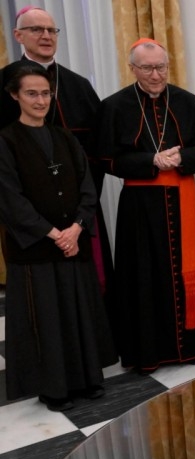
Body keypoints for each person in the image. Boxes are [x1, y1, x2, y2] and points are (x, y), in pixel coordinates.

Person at [94, 38, 195, 373]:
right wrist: (151, 160)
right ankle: (147, 352)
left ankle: (192, 346)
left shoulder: (186, 102)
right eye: (147, 67)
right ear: (132, 68)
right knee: (144, 277)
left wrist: (181, 157)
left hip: (182, 199)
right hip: (140, 206)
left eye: (161, 67)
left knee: (183, 273)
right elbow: (107, 159)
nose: (155, 74)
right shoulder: (115, 105)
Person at [0, 65, 116, 411]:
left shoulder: (65, 137)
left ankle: (87, 378)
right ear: (14, 96)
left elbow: (87, 187)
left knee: (79, 310)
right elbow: (9, 198)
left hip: (72, 241)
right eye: (32, 93)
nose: (40, 100)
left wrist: (77, 227)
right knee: (47, 316)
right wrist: (52, 233)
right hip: (35, 247)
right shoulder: (5, 140)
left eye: (45, 93)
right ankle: (54, 388)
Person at [0, 6, 114, 301]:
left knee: (89, 287)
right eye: (37, 29)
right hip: (27, 211)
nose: (46, 36)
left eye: (51, 30)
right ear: (18, 35)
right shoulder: (3, 85)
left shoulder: (79, 85)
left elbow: (100, 149)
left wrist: (82, 213)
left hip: (78, 208)